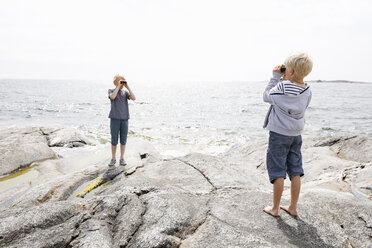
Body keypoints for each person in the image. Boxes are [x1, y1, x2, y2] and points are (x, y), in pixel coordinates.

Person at [262, 52, 313, 217]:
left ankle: (275, 208)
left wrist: (275, 77)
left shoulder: (282, 87)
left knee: (278, 170)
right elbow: (295, 102)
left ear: (289, 71)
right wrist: (287, 78)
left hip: (279, 135)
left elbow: (266, 96)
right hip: (296, 135)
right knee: (295, 170)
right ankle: (292, 207)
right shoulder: (307, 89)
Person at [108, 74, 136, 167]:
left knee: (123, 139)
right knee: (114, 139)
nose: (122, 83)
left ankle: (122, 157)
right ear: (115, 82)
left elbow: (134, 98)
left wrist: (128, 87)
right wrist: (118, 86)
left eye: (123, 81)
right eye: (120, 81)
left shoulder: (125, 93)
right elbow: (112, 97)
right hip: (114, 119)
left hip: (124, 119)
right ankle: (113, 158)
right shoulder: (111, 90)